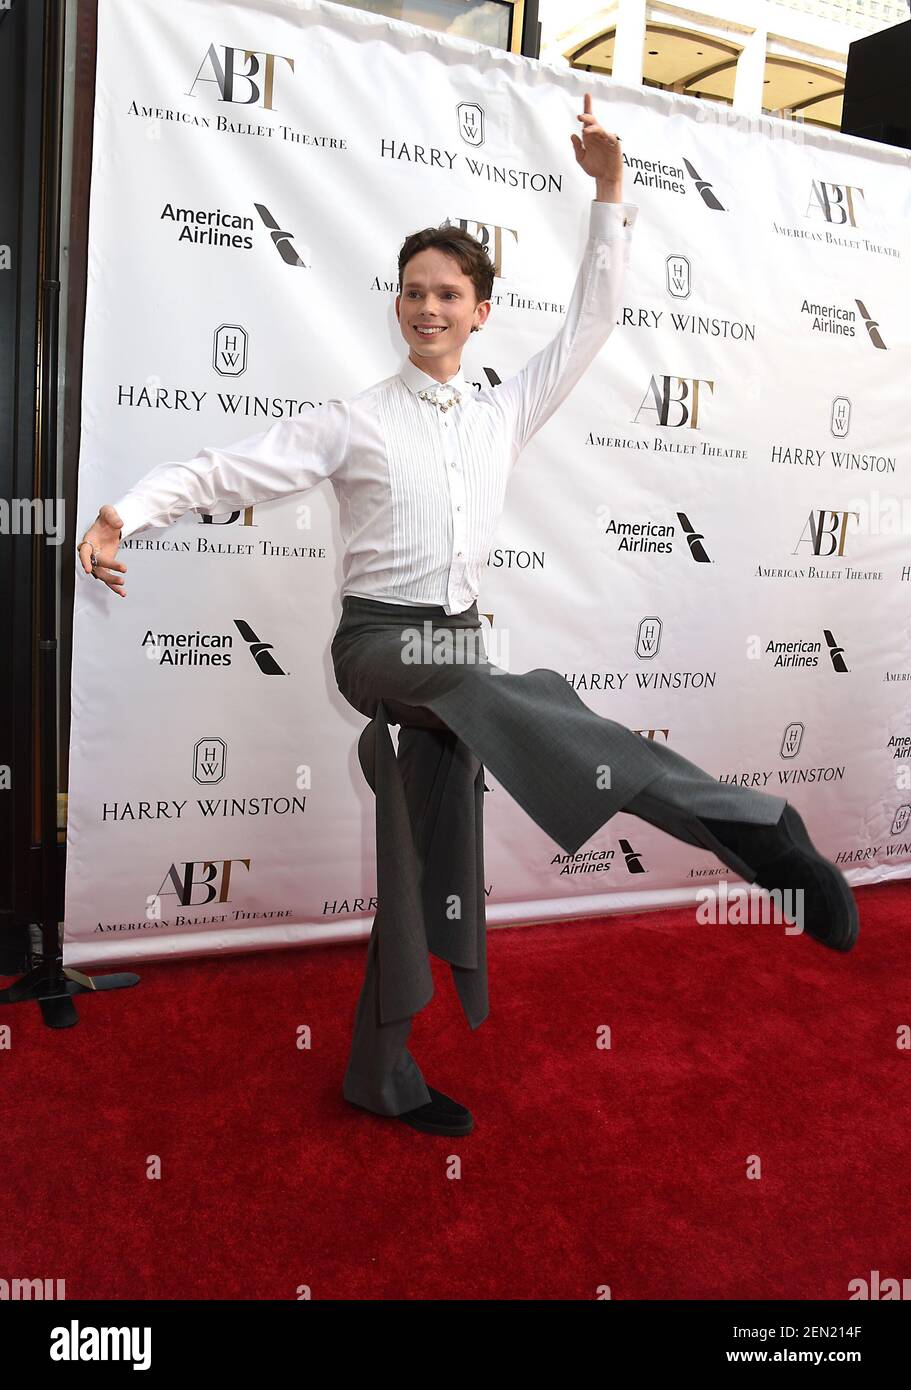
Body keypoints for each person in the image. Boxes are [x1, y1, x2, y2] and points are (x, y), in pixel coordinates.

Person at [77, 92, 858, 1138]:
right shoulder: (352, 420)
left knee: (427, 867)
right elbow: (230, 465)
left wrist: (610, 194)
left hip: (458, 661)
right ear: (396, 305)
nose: (427, 308)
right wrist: (125, 513)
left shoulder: (503, 413)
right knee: (528, 695)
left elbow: (593, 320)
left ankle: (380, 1073)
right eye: (412, 293)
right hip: (380, 648)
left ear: (480, 309)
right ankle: (747, 828)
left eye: (447, 293)